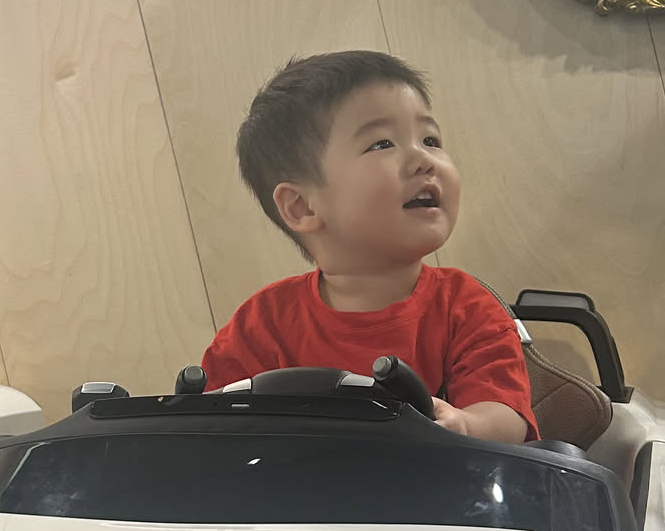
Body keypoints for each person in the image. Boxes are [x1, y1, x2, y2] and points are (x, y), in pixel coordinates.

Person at [202, 52, 537, 443]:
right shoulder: (261, 326)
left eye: (430, 140)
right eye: (382, 144)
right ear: (302, 206)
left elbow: (507, 419)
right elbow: (208, 426)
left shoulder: (466, 306)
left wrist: (464, 425)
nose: (423, 159)